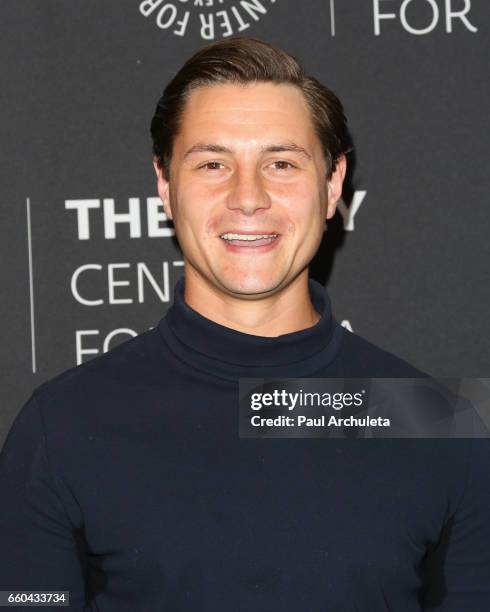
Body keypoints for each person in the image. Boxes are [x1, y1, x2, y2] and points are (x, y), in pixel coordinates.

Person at [1, 37, 489, 611]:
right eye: (213, 164)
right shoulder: (62, 428)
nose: (248, 197)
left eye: (281, 163)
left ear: (332, 185)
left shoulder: (435, 422)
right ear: (165, 186)